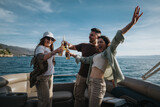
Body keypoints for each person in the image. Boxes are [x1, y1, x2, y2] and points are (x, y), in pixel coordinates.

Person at [70, 6, 143, 107]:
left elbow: (118, 36)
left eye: (101, 42)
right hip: (90, 82)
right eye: (98, 42)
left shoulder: (108, 52)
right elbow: (84, 59)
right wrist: (73, 55)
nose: (99, 43)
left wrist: (132, 23)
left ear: (106, 44)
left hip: (98, 84)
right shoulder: (96, 55)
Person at [64, 28, 101, 107]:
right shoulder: (84, 45)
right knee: (78, 96)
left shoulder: (100, 49)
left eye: (92, 35)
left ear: (98, 37)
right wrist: (67, 44)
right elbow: (72, 46)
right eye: (89, 34)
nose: (89, 36)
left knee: (92, 99)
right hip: (81, 76)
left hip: (93, 78)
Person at [30, 31, 62, 107]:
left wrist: (59, 51)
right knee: (44, 101)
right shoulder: (40, 47)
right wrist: (55, 52)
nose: (50, 41)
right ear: (43, 39)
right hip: (42, 77)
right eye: (48, 38)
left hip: (50, 76)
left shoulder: (49, 49)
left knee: (49, 98)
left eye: (52, 39)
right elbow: (41, 58)